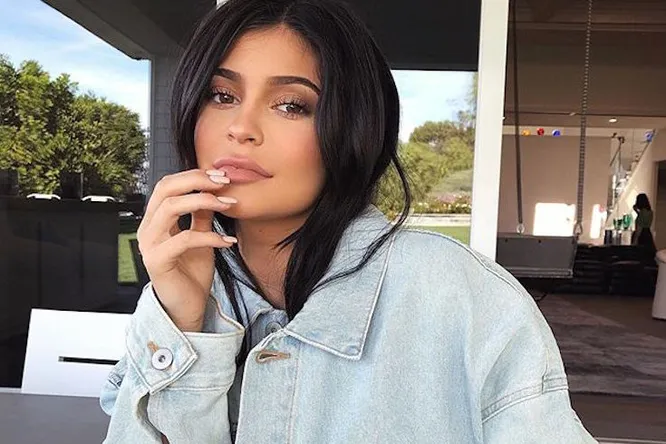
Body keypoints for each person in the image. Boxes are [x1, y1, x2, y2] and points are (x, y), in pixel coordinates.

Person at [100, 0, 597, 442]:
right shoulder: (181, 295)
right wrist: (183, 324)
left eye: (291, 105)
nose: (241, 128)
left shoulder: (462, 298)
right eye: (222, 95)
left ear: (352, 127)